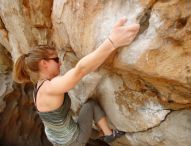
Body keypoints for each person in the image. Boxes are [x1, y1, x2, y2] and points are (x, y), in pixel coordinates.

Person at [13, 18, 140, 146]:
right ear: (44, 63)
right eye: (56, 59)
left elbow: (84, 70)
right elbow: (80, 70)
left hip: (56, 138)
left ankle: (99, 134)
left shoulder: (39, 87)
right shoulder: (51, 88)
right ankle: (109, 135)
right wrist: (112, 42)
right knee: (90, 105)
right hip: (71, 141)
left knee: (81, 115)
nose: (60, 62)